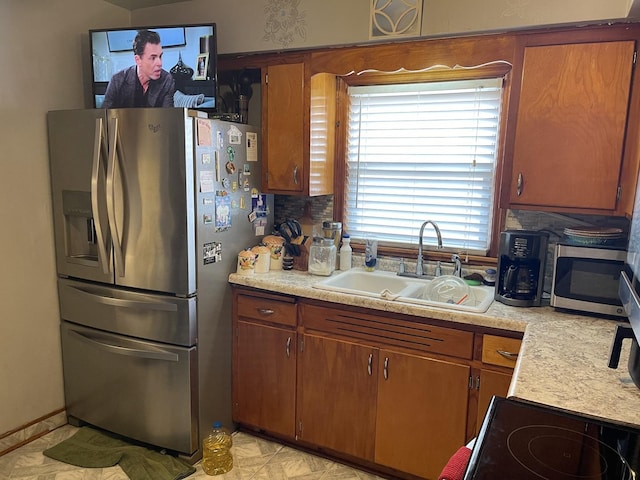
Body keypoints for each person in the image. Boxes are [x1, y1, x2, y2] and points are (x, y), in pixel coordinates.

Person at [102, 29, 175, 108]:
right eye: (153, 58)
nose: (160, 63)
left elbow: (168, 117)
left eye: (160, 56)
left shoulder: (166, 80)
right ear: (138, 60)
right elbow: (105, 115)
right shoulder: (117, 80)